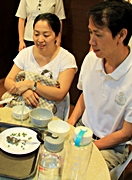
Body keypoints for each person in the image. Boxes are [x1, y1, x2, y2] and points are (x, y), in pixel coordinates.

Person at [67, 1, 132, 170]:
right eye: (90, 33)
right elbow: (85, 94)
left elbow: (126, 132)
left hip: (112, 146)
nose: (91, 41)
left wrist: (90, 147)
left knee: (84, 172)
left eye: (98, 34)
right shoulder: (91, 60)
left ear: (121, 35)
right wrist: (71, 121)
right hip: (83, 130)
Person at [4, 13, 77, 119]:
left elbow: (60, 94)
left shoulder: (66, 58)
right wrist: (24, 91)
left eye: (46, 35)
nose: (40, 39)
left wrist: (31, 85)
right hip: (22, 109)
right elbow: (8, 81)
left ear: (57, 35)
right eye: (36, 34)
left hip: (50, 115)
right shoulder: (25, 53)